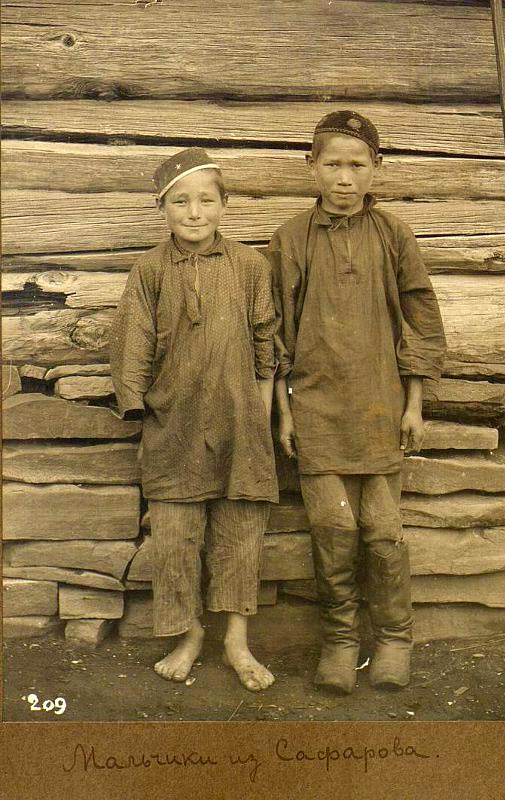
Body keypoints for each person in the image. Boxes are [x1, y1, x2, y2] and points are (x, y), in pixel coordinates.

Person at [267, 111, 446, 695]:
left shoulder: (393, 234)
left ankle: (394, 638)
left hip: (380, 408)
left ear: (376, 169)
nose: (345, 177)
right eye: (333, 164)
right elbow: (274, 331)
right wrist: (284, 412)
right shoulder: (291, 239)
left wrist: (413, 403)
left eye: (357, 165)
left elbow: (420, 318)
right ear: (311, 168)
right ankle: (340, 640)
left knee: (382, 530)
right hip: (316, 411)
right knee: (331, 526)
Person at [111, 147, 278, 692]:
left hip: (239, 422)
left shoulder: (251, 267)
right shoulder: (150, 269)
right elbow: (132, 343)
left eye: (207, 200)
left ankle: (235, 641)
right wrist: (138, 402)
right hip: (174, 423)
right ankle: (188, 635)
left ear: (224, 205)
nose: (194, 212)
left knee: (239, 532)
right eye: (180, 202)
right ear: (163, 209)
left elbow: (264, 343)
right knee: (176, 536)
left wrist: (262, 416)